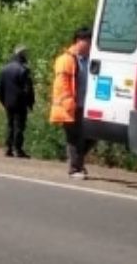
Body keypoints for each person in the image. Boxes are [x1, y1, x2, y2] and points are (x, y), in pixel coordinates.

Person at [49, 27, 95, 179]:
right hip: (70, 105)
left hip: (87, 105)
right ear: (78, 41)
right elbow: (61, 84)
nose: (90, 44)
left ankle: (78, 162)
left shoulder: (90, 59)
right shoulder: (66, 60)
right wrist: (68, 102)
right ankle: (74, 169)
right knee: (74, 137)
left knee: (92, 135)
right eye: (87, 41)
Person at [0, 45, 35, 158]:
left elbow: (0, 88)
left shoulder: (5, 69)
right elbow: (28, 89)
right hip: (20, 102)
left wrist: (3, 101)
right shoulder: (23, 69)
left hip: (8, 102)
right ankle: (18, 149)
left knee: (10, 125)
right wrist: (30, 102)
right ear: (22, 55)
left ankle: (8, 148)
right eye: (25, 54)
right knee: (19, 126)